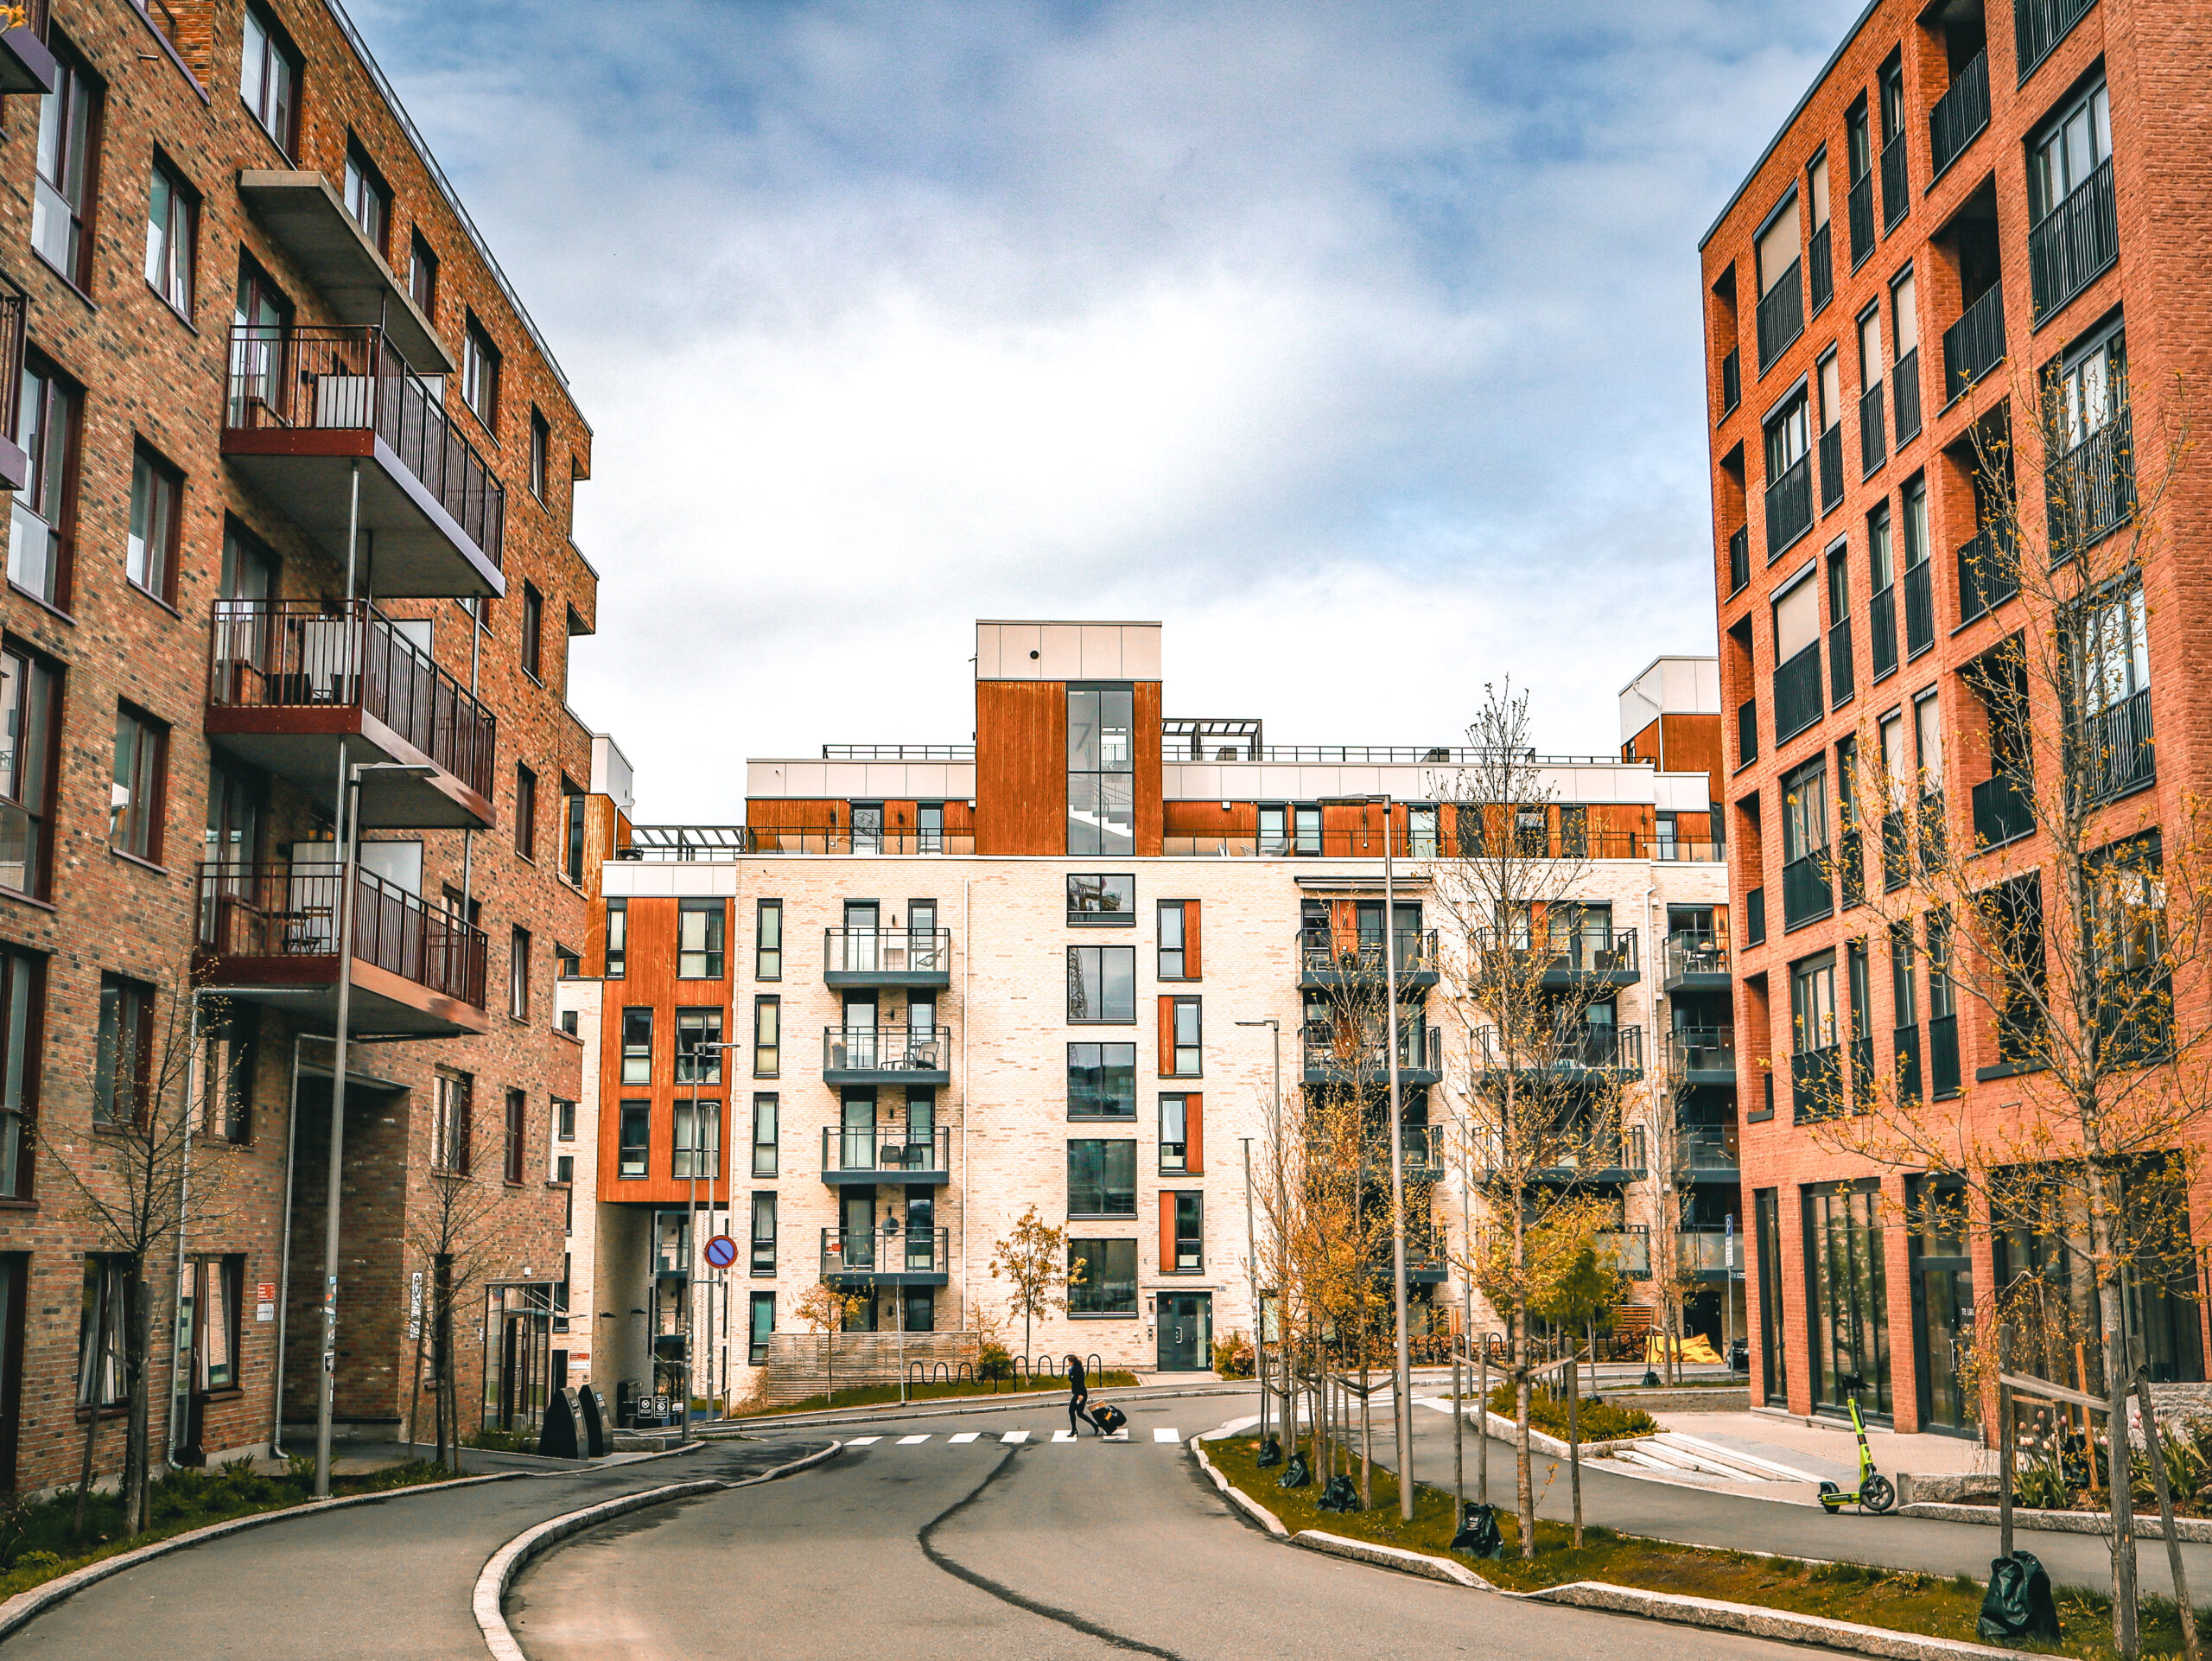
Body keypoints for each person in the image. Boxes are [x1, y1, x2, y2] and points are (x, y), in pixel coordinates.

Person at [1066, 1353, 1092, 1437]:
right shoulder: (1076, 1368)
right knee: (1079, 1413)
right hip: (1080, 1393)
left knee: (1071, 1411)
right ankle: (1095, 1426)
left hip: (1080, 1394)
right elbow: (1072, 1380)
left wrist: (1079, 1395)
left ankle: (1074, 1430)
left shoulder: (1077, 1370)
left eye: (1069, 1362)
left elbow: (1078, 1383)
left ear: (1071, 1362)